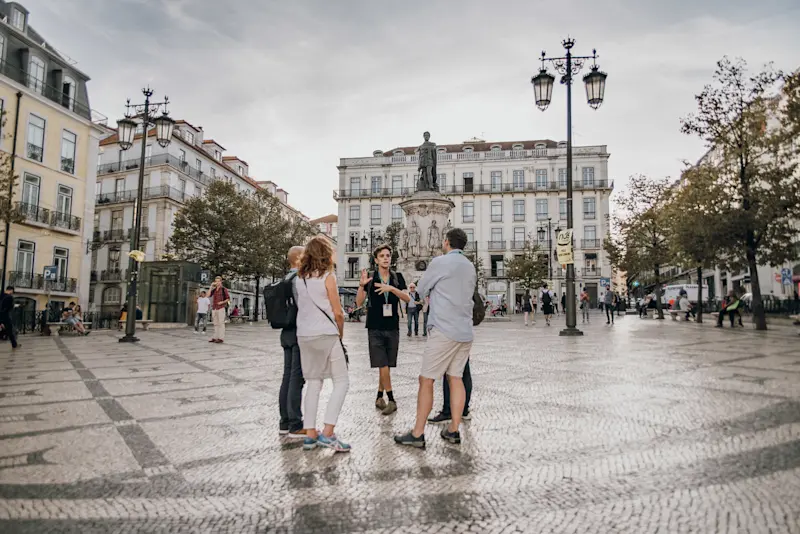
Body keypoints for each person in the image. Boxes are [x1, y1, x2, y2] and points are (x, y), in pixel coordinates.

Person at [395, 228, 475, 448]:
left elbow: (420, 290)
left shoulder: (440, 262)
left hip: (444, 329)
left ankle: (418, 433)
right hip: (465, 331)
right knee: (455, 378)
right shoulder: (470, 266)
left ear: (447, 242)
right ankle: (453, 430)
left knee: (426, 379)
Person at [295, 236, 350, 452]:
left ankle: (310, 434)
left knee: (313, 383)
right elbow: (338, 312)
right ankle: (327, 432)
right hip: (326, 334)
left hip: (304, 335)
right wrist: (341, 334)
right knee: (342, 381)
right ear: (325, 254)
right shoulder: (328, 276)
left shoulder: (300, 278)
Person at [356, 245, 410, 416]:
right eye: (382, 256)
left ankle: (379, 397)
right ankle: (392, 399)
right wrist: (361, 285)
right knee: (383, 363)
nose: (386, 258)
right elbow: (358, 303)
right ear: (376, 259)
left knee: (385, 364)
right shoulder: (371, 278)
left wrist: (391, 289)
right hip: (374, 326)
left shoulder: (397, 277)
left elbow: (408, 298)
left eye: (388, 255)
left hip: (392, 326)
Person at [279, 246, 307, 439]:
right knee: (297, 379)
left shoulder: (284, 279)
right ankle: (296, 424)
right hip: (298, 332)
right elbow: (303, 307)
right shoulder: (298, 280)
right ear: (298, 259)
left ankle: (284, 422)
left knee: (287, 377)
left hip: (286, 333)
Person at [209, 276, 230, 343]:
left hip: (221, 308)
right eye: (216, 281)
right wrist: (211, 286)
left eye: (218, 281)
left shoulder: (224, 289)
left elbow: (228, 298)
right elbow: (208, 295)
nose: (217, 283)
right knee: (215, 323)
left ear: (221, 282)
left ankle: (221, 338)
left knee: (221, 323)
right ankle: (215, 337)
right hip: (214, 308)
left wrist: (222, 302)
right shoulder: (214, 290)